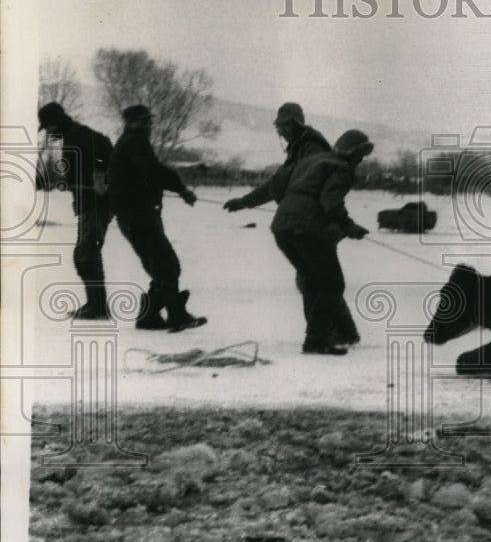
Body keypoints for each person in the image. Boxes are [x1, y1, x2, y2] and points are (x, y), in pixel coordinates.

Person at [225, 108, 372, 354]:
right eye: (361, 154)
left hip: (283, 227)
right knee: (332, 284)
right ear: (353, 152)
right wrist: (349, 226)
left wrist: (244, 202)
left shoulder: (309, 154)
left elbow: (276, 185)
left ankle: (324, 336)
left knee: (313, 282)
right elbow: (329, 201)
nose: (361, 160)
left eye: (283, 126)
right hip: (310, 228)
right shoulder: (338, 166)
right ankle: (325, 336)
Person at [108, 105, 205, 332]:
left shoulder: (131, 141)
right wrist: (181, 188)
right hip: (137, 214)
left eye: (149, 121)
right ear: (131, 123)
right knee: (166, 265)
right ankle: (175, 315)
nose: (149, 125)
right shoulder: (134, 141)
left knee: (164, 264)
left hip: (137, 214)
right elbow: (153, 171)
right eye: (144, 121)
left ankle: (150, 315)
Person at [36, 102, 114, 319]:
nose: (48, 132)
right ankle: (96, 305)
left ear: (56, 122)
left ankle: (98, 308)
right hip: (86, 203)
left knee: (87, 254)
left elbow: (106, 148)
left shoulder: (80, 134)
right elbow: (74, 174)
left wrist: (100, 175)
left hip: (97, 204)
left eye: (48, 127)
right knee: (83, 255)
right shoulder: (71, 137)